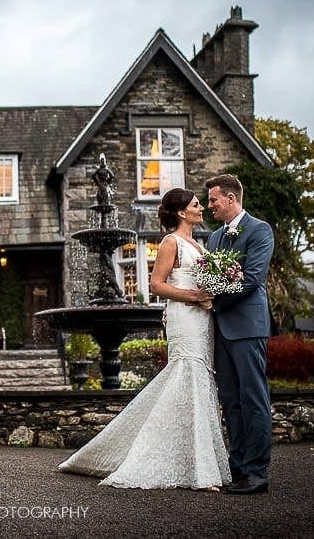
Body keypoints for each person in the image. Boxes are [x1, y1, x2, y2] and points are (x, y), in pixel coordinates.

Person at [57, 188, 230, 491]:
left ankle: (194, 464)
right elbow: (157, 285)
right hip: (185, 318)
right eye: (195, 204)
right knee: (185, 376)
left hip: (204, 320)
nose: (201, 207)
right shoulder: (170, 242)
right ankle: (194, 471)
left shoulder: (199, 245)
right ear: (181, 212)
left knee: (197, 381)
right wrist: (193, 295)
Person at [205, 173, 274, 495]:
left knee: (253, 399)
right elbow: (208, 277)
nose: (209, 206)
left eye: (213, 200)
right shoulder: (215, 238)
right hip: (222, 329)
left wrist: (213, 301)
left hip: (247, 327)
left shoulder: (260, 230)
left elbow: (253, 279)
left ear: (231, 198)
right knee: (230, 400)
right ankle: (238, 468)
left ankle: (257, 473)